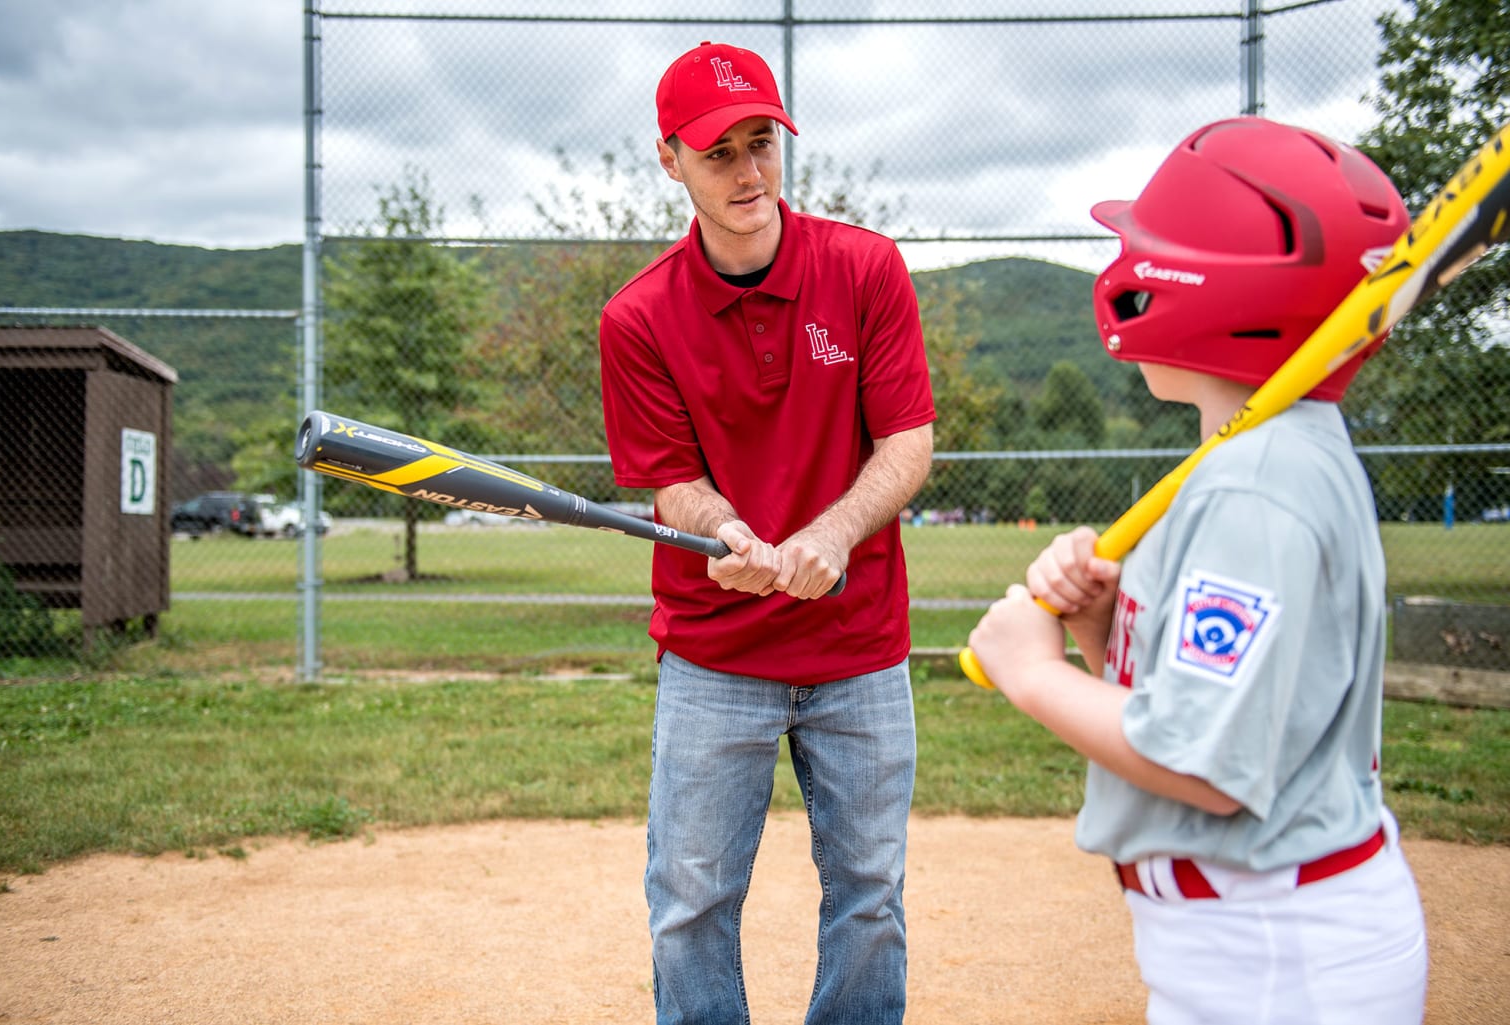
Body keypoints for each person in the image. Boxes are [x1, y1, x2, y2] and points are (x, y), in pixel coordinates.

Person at [965, 117, 1430, 1024]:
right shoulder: (1264, 454)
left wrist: (1033, 671)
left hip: (1276, 958)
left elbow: (1202, 760)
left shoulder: (1255, 485)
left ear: (1201, 287)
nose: (1127, 265)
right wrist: (1108, 629)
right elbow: (1229, 707)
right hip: (1258, 942)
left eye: (1147, 246)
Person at [598, 40, 936, 1025]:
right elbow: (671, 482)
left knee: (870, 896)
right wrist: (729, 533)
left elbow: (906, 443)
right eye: (719, 153)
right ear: (669, 160)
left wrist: (831, 534)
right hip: (716, 645)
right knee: (691, 903)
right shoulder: (639, 317)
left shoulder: (865, 269)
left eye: (762, 143)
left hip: (858, 639)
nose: (748, 173)